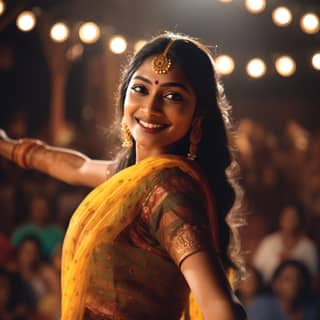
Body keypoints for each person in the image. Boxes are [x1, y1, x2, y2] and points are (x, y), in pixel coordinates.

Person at [0, 32, 246, 320]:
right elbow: (77, 167)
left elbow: (220, 306)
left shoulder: (167, 192)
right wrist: (6, 146)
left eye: (172, 96)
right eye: (140, 89)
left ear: (197, 116)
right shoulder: (131, 180)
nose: (150, 107)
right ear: (124, 93)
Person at [253, 204, 318, 282]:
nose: (290, 221)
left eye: (294, 217)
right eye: (287, 217)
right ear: (280, 219)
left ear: (300, 220)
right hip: (268, 291)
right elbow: (257, 272)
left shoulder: (308, 247)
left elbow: (313, 276)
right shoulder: (269, 242)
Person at [246, 260, 318, 320]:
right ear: (276, 284)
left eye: (299, 278)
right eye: (287, 279)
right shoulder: (261, 306)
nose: (294, 284)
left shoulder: (313, 308)